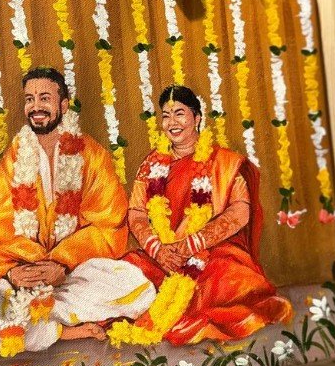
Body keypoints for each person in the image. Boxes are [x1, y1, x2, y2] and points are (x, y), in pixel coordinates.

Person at [0, 67, 156, 357]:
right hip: (24, 279)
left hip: (73, 275)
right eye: (29, 99)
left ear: (63, 105)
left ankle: (44, 325)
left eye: (44, 98)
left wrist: (62, 264)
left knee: (133, 284)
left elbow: (109, 223)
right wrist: (15, 272)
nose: (36, 107)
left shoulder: (91, 153)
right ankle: (63, 330)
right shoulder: (16, 156)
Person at [119, 84, 292, 347]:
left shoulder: (223, 162)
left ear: (197, 118)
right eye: (165, 115)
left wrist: (191, 244)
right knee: (122, 274)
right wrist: (158, 250)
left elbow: (240, 211)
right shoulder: (152, 164)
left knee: (229, 284)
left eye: (179, 113)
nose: (172, 122)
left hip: (211, 253)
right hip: (161, 255)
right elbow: (136, 212)